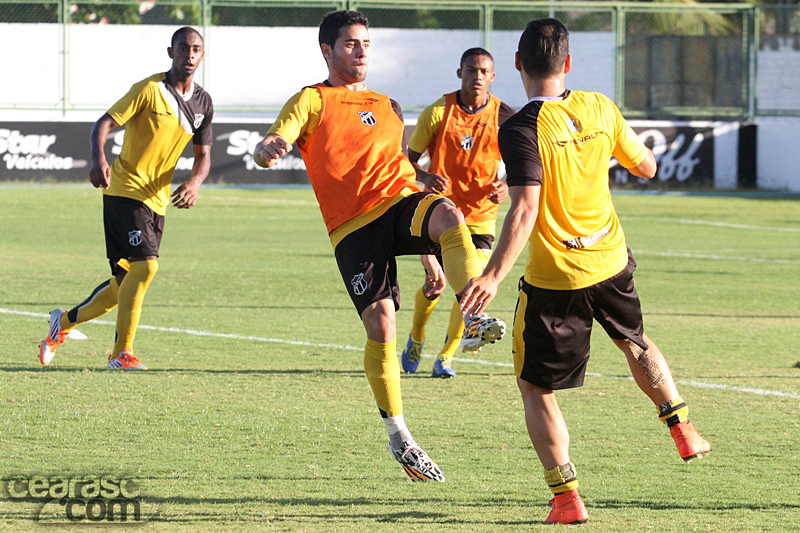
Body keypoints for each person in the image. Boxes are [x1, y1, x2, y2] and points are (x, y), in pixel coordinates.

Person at [459, 19, 711, 524]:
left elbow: (525, 211)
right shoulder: (600, 106)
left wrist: (490, 275)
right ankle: (682, 427)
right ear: (568, 64)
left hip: (557, 280)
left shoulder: (520, 126)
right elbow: (647, 168)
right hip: (611, 260)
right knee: (634, 339)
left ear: (517, 66)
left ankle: (566, 498)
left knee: (536, 388)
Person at [252, 10, 506, 482]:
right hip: (353, 228)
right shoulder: (312, 99)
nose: (361, 50)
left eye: (366, 42)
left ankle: (471, 317)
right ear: (327, 51)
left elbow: (402, 172)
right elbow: (277, 135)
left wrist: (430, 239)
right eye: (351, 43)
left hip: (399, 203)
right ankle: (399, 436)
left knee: (450, 214)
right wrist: (267, 149)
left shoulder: (388, 105)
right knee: (383, 325)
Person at [38, 26, 213, 371]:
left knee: (123, 284)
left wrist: (195, 182)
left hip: (156, 199)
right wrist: (98, 158)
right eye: (183, 49)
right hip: (124, 189)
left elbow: (204, 155)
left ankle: (63, 322)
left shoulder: (203, 102)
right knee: (146, 266)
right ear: (170, 52)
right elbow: (102, 124)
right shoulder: (149, 90)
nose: (189, 55)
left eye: (195, 50)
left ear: (202, 56)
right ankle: (122, 353)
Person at [400, 47, 515, 378]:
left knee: (471, 287)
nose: (477, 76)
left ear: (492, 77)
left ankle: (446, 357)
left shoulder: (503, 115)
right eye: (471, 70)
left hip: (481, 215)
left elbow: (525, 161)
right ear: (459, 73)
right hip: (439, 215)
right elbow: (407, 161)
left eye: (483, 71)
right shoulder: (438, 112)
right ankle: (416, 337)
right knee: (435, 283)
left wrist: (508, 184)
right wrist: (424, 177)